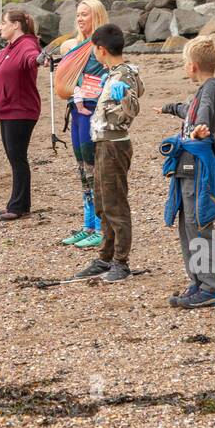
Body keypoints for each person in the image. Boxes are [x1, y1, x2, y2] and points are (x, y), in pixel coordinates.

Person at [158, 35, 215, 309]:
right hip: (185, 167)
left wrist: (201, 127)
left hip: (197, 167)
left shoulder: (211, 88)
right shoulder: (204, 89)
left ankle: (213, 287)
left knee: (199, 221)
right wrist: (169, 109)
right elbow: (188, 109)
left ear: (192, 65)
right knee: (186, 223)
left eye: (184, 63)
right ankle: (199, 281)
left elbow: (203, 111)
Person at [71, 24, 144, 283]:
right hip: (103, 142)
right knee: (103, 202)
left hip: (115, 144)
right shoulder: (114, 73)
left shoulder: (124, 75)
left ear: (101, 50)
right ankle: (106, 256)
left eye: (94, 50)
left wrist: (124, 96)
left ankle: (121, 262)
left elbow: (133, 106)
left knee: (115, 204)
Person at [57, 0, 110, 249]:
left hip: (92, 111)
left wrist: (84, 90)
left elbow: (107, 77)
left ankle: (100, 226)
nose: (79, 19)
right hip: (76, 111)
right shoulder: (76, 46)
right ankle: (88, 224)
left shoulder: (102, 46)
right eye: (78, 15)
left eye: (85, 15)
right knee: (81, 166)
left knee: (93, 166)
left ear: (96, 17)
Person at [0, 8, 42, 220]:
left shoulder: (27, 45)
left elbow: (32, 58)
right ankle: (17, 202)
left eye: (3, 23)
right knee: (14, 158)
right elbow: (4, 57)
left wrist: (40, 60)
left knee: (18, 158)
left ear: (16, 25)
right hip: (8, 110)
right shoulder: (12, 47)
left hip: (21, 111)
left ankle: (19, 206)